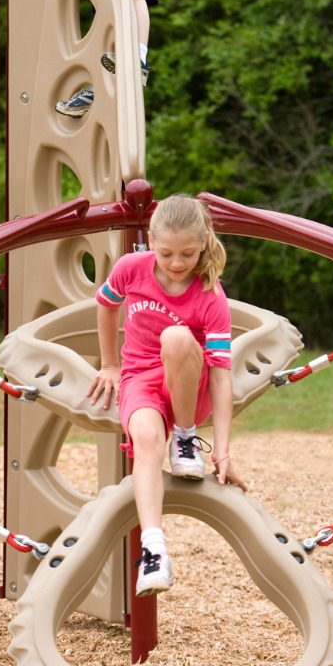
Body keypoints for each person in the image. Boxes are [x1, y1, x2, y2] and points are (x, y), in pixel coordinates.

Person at [88, 194, 247, 597]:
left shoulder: (210, 295)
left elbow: (221, 375)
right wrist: (109, 364)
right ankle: (154, 549)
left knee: (175, 337)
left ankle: (187, 437)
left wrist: (223, 450)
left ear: (205, 242)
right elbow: (105, 306)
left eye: (188, 254)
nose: (177, 263)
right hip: (140, 378)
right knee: (144, 439)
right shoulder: (130, 269)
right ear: (150, 242)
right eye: (167, 253)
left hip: (188, 386)